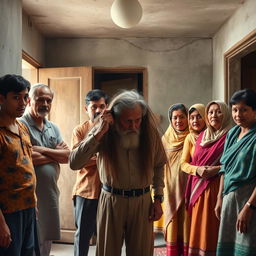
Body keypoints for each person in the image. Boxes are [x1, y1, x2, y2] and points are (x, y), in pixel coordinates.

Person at [69, 90, 167, 256]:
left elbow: (158, 165)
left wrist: (157, 198)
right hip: (111, 201)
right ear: (114, 117)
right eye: (128, 122)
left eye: (138, 120)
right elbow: (74, 162)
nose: (134, 126)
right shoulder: (104, 133)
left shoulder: (149, 133)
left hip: (142, 202)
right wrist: (98, 131)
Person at [19, 83, 70, 256]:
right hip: (28, 196)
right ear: (29, 101)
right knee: (31, 242)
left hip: (50, 194)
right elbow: (25, 157)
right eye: (40, 99)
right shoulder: (20, 125)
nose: (45, 104)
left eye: (48, 100)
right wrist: (56, 153)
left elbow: (67, 156)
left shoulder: (53, 127)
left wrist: (41, 149)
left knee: (47, 239)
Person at [184, 100, 231, 256]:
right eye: (210, 112)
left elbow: (233, 164)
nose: (214, 115)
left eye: (218, 111)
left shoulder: (232, 134)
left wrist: (216, 170)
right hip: (198, 189)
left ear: (225, 113)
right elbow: (185, 164)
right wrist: (198, 170)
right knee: (198, 229)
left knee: (213, 229)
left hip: (219, 188)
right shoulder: (202, 136)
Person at [215, 89, 256, 256]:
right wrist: (219, 198)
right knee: (228, 246)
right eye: (235, 109)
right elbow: (225, 168)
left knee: (246, 247)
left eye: (244, 109)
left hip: (249, 201)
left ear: (255, 111)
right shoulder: (232, 134)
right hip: (229, 201)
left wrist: (249, 207)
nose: (238, 114)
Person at [0, 74, 37, 256]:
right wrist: (1, 223)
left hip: (28, 207)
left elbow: (28, 165)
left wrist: (33, 203)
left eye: (25, 97)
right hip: (8, 212)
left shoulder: (22, 127)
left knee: (28, 252)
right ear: (1, 98)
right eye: (16, 97)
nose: (22, 103)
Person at [71, 89, 108, 256]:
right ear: (86, 109)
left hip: (108, 192)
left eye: (102, 106)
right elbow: (78, 161)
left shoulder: (112, 130)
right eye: (94, 107)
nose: (98, 110)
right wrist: (100, 157)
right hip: (85, 191)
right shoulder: (80, 130)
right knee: (83, 236)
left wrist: (92, 156)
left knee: (106, 236)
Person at [156, 104, 189, 255]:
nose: (178, 120)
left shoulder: (194, 135)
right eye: (175, 117)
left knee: (186, 223)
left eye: (182, 116)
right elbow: (159, 165)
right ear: (170, 120)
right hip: (169, 188)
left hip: (188, 188)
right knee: (173, 224)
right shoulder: (166, 139)